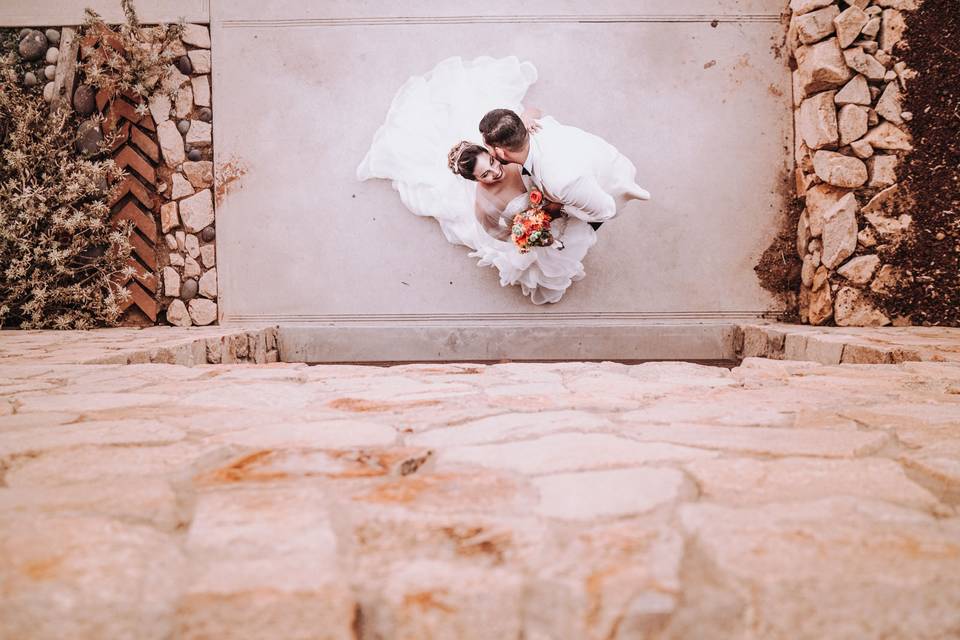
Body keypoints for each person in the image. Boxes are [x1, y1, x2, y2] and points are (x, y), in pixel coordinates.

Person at [479, 108, 650, 229]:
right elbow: (534, 110)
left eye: (488, 147)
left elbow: (606, 211)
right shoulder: (538, 125)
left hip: (610, 186)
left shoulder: (561, 183)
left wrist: (558, 208)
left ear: (500, 151)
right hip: (598, 159)